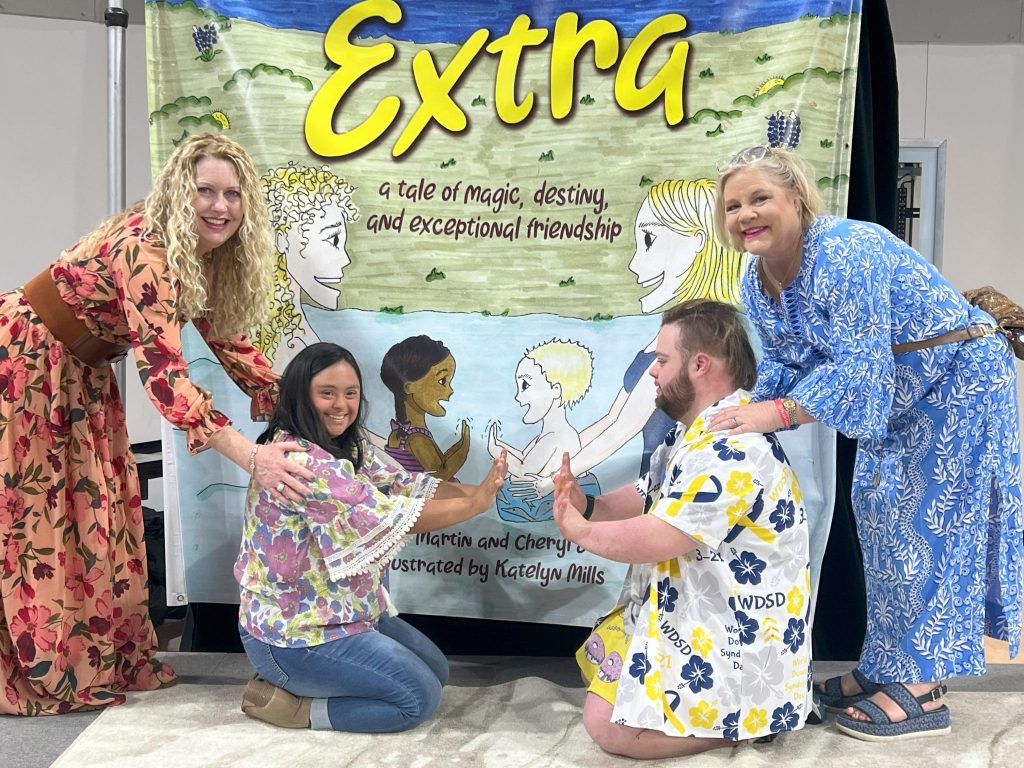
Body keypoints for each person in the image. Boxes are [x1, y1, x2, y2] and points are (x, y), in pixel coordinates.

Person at [707, 144, 1023, 741]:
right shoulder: (756, 281)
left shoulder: (847, 252)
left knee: (935, 523)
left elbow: (859, 373)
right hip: (898, 397)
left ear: (795, 197)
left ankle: (925, 687)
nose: (745, 214)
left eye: (759, 198)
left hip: (958, 379)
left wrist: (771, 414)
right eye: (733, 206)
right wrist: (735, 411)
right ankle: (886, 665)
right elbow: (780, 366)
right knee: (880, 520)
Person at [0, 132, 315, 716]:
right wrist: (253, 458)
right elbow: (167, 376)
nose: (220, 206)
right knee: (36, 515)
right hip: (26, 362)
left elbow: (223, 333)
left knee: (97, 515)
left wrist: (278, 396)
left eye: (232, 193)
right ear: (178, 192)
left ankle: (93, 654)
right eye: (205, 191)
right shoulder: (149, 247)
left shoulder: (204, 256)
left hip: (81, 371)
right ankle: (38, 663)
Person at [552, 300, 812, 759]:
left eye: (661, 360)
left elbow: (662, 535)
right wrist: (589, 505)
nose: (653, 371)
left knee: (608, 728)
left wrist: (580, 531)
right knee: (599, 665)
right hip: (696, 613)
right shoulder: (700, 429)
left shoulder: (730, 447)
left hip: (733, 638)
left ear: (699, 364)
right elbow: (653, 492)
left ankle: (756, 721)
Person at [235, 342, 507, 732]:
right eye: (326, 393)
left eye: (350, 393)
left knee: (436, 671)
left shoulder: (348, 443)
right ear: (300, 395)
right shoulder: (299, 462)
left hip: (344, 613)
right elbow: (391, 516)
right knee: (418, 699)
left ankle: (309, 685)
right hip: (294, 636)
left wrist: (482, 491)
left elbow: (404, 485)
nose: (341, 404)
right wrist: (475, 504)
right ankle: (296, 709)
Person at [536, 179, 745, 490]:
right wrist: (556, 466)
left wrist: (549, 482)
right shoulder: (670, 334)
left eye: (649, 240)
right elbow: (611, 420)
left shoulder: (705, 334)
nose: (634, 264)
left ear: (698, 241)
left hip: (690, 494)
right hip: (662, 489)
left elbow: (621, 429)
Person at [254, 162, 358, 371]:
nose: (345, 259)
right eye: (333, 240)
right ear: (282, 239)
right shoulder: (294, 344)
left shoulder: (293, 335)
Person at [487, 337, 601, 523]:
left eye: (525, 386)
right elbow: (525, 459)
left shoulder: (557, 438)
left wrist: (495, 449)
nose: (518, 396)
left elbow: (524, 470)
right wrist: (500, 447)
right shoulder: (547, 436)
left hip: (541, 514)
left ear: (555, 390)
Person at [380, 335, 469, 480]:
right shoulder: (417, 439)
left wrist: (458, 445)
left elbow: (439, 463)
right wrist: (464, 448)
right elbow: (441, 475)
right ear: (409, 387)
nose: (450, 390)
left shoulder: (400, 432)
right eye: (442, 381)